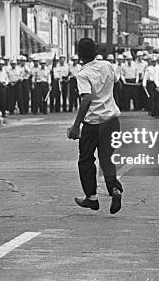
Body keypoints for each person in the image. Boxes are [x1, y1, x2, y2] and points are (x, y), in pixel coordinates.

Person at [67, 38, 123, 215]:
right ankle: (114, 189)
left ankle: (91, 198)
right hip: (112, 120)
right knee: (107, 157)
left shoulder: (83, 75)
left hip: (93, 124)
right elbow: (118, 85)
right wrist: (108, 99)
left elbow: (87, 98)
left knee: (86, 160)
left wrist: (76, 126)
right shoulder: (107, 65)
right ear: (96, 50)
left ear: (79, 55)